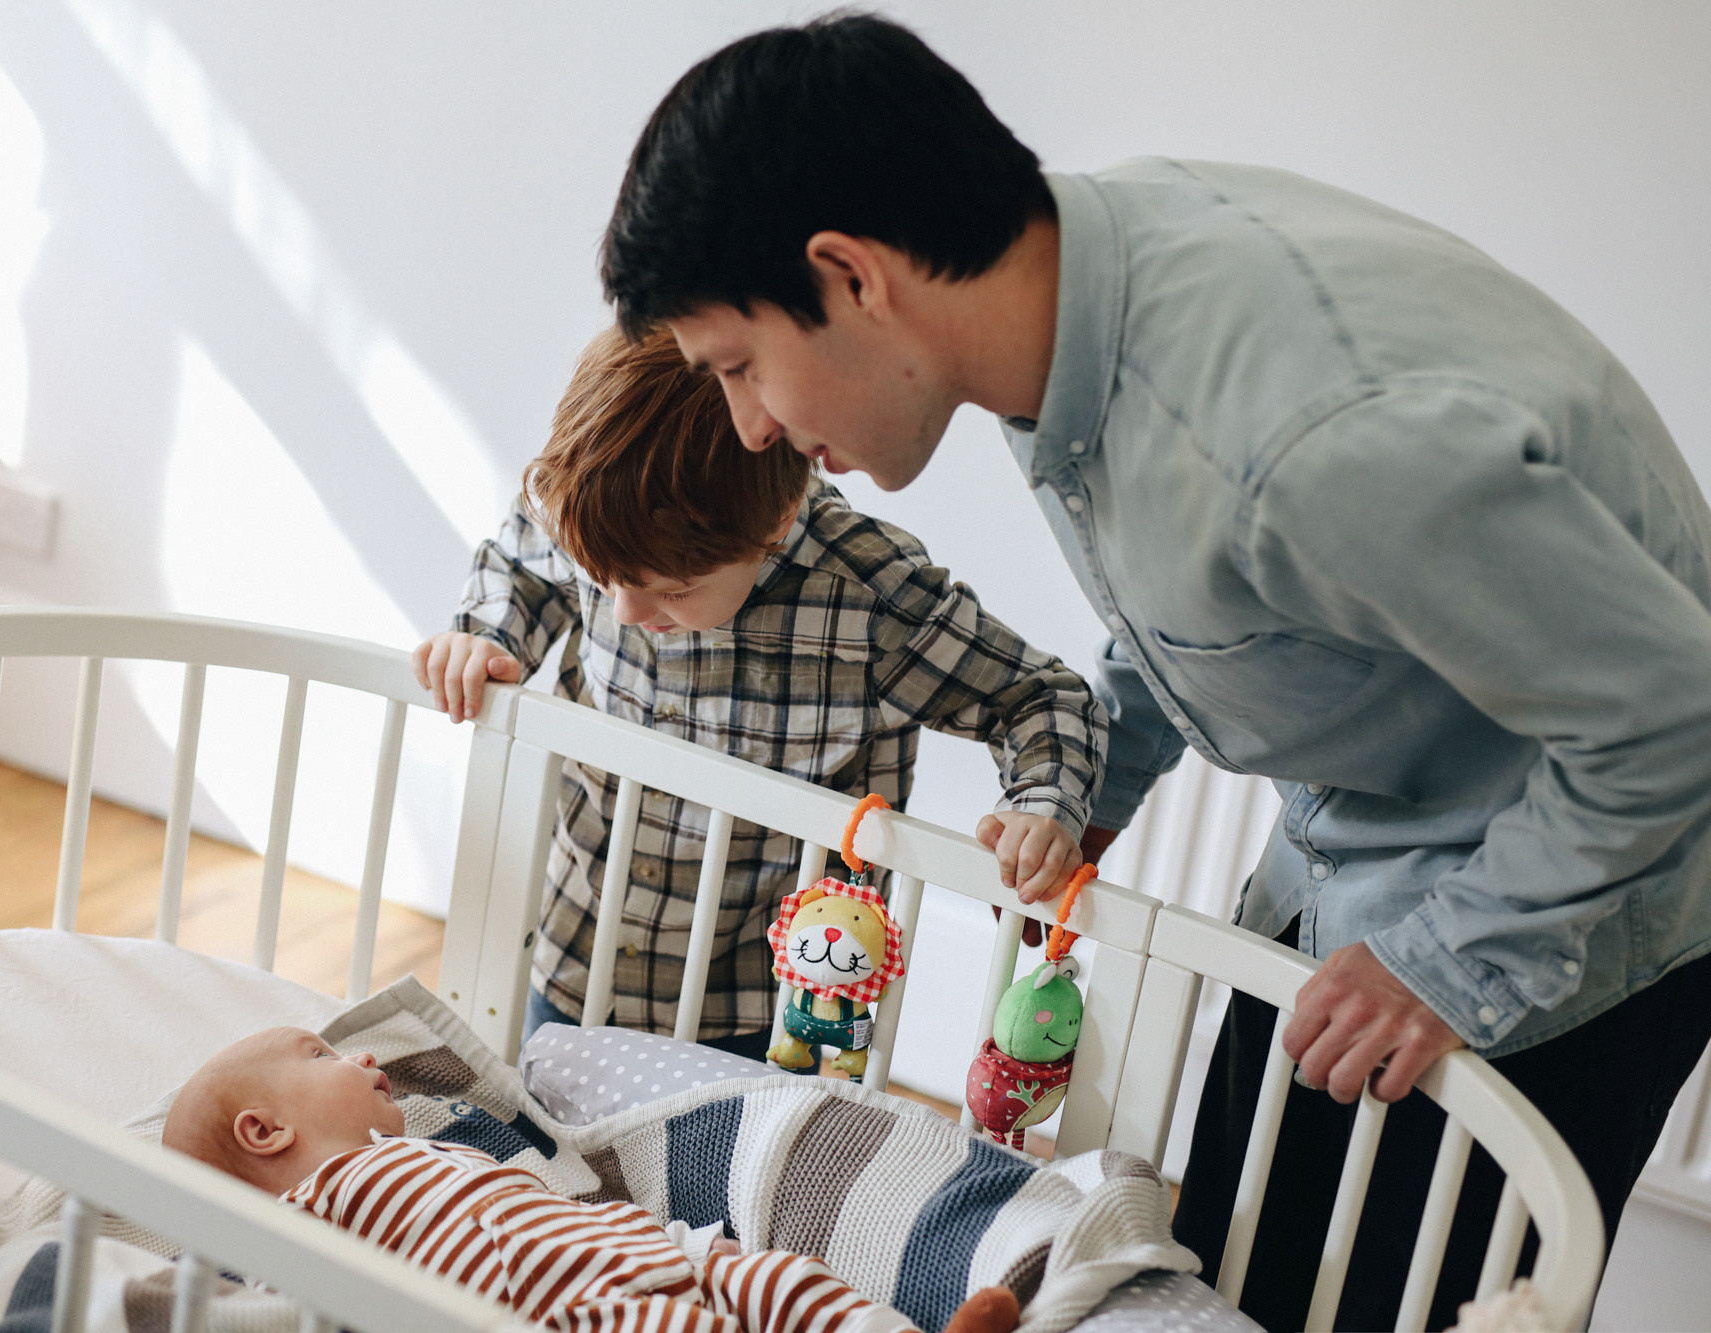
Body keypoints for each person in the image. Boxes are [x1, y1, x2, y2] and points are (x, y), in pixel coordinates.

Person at [596, 13, 1711, 1330]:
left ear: (851, 277)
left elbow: (1674, 719)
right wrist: (1101, 774)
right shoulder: (1054, 320)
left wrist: (1445, 963)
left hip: (1539, 930)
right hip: (1340, 872)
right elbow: (1197, 588)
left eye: (737, 368)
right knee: (1223, 1283)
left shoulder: (1306, 437)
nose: (753, 426)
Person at [413, 326, 1104, 1058]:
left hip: (764, 1004)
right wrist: (485, 637)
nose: (624, 611)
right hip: (581, 944)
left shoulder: (871, 597)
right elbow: (516, 566)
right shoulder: (588, 502)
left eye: (673, 591)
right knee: (556, 1146)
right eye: (601, 577)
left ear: (774, 525)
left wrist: (1040, 805)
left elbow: (1044, 699)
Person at [162, 1027, 1023, 1333]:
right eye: (320, 1053)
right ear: (265, 1130)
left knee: (779, 1276)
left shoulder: (442, 1147)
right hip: (561, 1309)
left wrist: (673, 1243)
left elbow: (552, 1194)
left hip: (650, 1249)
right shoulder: (297, 1225)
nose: (356, 1055)